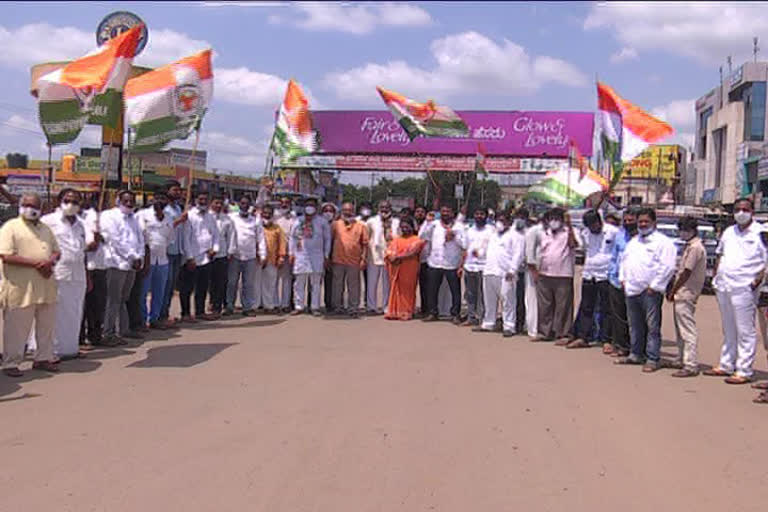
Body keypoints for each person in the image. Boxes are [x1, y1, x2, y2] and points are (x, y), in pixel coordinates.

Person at [705, 198, 767, 384]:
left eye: (745, 209)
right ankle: (726, 364)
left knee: (745, 329)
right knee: (729, 327)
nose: (741, 213)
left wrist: (758, 279)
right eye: (738, 209)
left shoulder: (760, 232)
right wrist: (716, 277)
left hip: (745, 285)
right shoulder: (729, 232)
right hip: (724, 284)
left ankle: (744, 369)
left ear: (752, 212)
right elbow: (720, 254)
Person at [0, 193, 61, 376]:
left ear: (40, 209)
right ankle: (11, 363)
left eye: (34, 206)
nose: (30, 208)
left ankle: (43, 358)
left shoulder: (45, 229)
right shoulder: (11, 227)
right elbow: (6, 255)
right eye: (26, 205)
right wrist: (37, 264)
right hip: (20, 287)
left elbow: (56, 251)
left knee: (46, 326)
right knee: (17, 328)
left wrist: (50, 262)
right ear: (20, 206)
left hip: (45, 285)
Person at [616, 207, 677, 372]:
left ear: (654, 223)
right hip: (632, 289)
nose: (642, 224)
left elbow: (668, 266)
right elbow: (624, 261)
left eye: (646, 221)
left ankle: (652, 357)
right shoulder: (634, 242)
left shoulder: (663, 243)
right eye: (640, 221)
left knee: (652, 327)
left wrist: (655, 286)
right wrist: (623, 279)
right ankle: (636, 354)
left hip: (650, 292)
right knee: (634, 325)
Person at [40, 189, 93, 360]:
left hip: (77, 274)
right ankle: (50, 351)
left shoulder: (82, 223)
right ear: (59, 201)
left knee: (75, 311)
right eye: (67, 200)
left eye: (75, 202)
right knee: (54, 313)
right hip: (56, 272)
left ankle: (70, 348)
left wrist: (87, 274)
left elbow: (83, 251)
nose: (71, 205)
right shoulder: (48, 221)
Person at [98, 191, 146, 345]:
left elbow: (140, 239)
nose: (129, 203)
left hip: (131, 265)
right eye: (126, 201)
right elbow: (115, 240)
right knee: (113, 299)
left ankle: (123, 330)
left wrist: (139, 257)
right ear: (118, 201)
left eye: (132, 201)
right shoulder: (109, 216)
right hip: (115, 263)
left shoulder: (134, 218)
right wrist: (132, 256)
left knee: (124, 298)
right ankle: (108, 333)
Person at [568, 210, 617, 349]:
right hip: (589, 273)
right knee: (586, 306)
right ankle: (583, 337)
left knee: (607, 308)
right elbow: (581, 247)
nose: (593, 229)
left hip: (606, 275)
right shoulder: (585, 233)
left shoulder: (613, 232)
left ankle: (607, 339)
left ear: (599, 222)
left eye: (594, 225)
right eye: (590, 226)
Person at [665, 216, 707, 377]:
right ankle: (681, 358)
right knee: (679, 329)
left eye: (685, 230)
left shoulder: (696, 247)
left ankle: (690, 364)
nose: (682, 233)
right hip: (682, 293)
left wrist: (673, 290)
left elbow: (686, 272)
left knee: (687, 329)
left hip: (686, 292)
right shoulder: (689, 246)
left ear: (693, 230)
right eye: (681, 230)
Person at [474, 210, 526, 336]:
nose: (500, 223)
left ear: (509, 222)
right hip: (489, 270)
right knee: (489, 300)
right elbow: (485, 249)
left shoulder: (516, 236)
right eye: (498, 220)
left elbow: (518, 255)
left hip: (506, 273)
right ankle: (488, 323)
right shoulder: (493, 235)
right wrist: (478, 254)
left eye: (503, 220)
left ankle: (509, 326)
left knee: (508, 301)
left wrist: (513, 270)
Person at [533, 208, 579, 343]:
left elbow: (574, 245)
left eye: (557, 218)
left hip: (563, 274)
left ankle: (563, 334)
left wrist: (569, 226)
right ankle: (544, 332)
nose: (554, 221)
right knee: (544, 305)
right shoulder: (544, 233)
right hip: (545, 273)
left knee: (563, 306)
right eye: (551, 218)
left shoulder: (569, 232)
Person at [421, 204, 465, 324]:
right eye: (443, 211)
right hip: (435, 262)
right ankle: (432, 312)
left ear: (452, 213)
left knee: (455, 290)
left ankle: (455, 314)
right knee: (432, 290)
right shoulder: (434, 224)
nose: (445, 214)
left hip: (451, 263)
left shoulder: (459, 226)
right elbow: (422, 236)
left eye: (448, 211)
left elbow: (465, 244)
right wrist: (427, 222)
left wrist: (454, 236)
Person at [180, 191, 219, 323]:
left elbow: (216, 235)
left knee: (202, 287)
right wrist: (189, 258)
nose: (203, 201)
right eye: (200, 199)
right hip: (192, 257)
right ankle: (185, 313)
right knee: (187, 288)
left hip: (206, 257)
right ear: (195, 200)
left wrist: (215, 249)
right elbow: (185, 238)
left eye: (205, 199)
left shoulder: (210, 216)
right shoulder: (189, 216)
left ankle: (200, 311)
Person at [138, 193, 174, 329]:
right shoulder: (142, 215)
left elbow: (170, 238)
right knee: (143, 292)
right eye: (158, 198)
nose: (160, 201)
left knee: (159, 292)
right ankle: (142, 320)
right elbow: (140, 236)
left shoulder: (169, 217)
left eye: (163, 198)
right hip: (147, 260)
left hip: (162, 260)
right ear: (152, 199)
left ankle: (155, 318)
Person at [290, 197, 331, 316]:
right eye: (308, 205)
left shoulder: (322, 222)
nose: (310, 207)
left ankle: (315, 307)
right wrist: (291, 253)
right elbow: (292, 238)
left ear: (316, 208)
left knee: (316, 283)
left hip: (317, 256)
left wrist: (326, 255)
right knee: (299, 283)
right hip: (300, 255)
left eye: (312, 205)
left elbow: (328, 239)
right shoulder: (298, 221)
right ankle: (299, 306)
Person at [606, 208, 638, 357]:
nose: (627, 223)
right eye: (625, 220)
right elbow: (614, 257)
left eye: (631, 220)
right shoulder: (619, 236)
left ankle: (636, 347)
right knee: (618, 315)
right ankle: (620, 345)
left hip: (635, 283)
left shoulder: (641, 239)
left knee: (634, 317)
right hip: (616, 281)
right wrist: (611, 275)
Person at [228, 195, 265, 316]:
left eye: (247, 204)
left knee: (248, 284)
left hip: (250, 256)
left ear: (250, 206)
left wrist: (262, 254)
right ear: (239, 204)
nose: (244, 206)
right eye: (242, 203)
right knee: (232, 282)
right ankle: (229, 306)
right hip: (234, 255)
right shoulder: (231, 217)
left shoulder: (255, 220)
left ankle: (247, 307)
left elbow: (260, 238)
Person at [158, 180, 189, 329]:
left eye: (179, 190)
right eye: (174, 190)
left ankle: (166, 313)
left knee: (171, 286)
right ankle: (159, 315)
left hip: (177, 251)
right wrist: (179, 220)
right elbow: (164, 227)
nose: (178, 193)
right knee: (164, 285)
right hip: (166, 251)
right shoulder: (164, 209)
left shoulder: (178, 207)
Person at [330, 202, 369, 316]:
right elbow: (330, 241)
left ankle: (353, 307)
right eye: (345, 210)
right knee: (337, 285)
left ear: (354, 211)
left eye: (350, 210)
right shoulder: (335, 224)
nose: (347, 212)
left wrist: (363, 259)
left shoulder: (361, 225)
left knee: (354, 286)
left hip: (354, 261)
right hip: (338, 260)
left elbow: (365, 244)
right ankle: (338, 307)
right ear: (342, 211)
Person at [384, 217, 426, 321]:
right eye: (402, 227)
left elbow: (413, 252)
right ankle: (394, 311)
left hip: (410, 268)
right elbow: (389, 251)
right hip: (396, 267)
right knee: (396, 288)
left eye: (407, 227)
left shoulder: (417, 240)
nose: (404, 229)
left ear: (412, 227)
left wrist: (398, 257)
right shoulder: (396, 240)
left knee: (408, 290)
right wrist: (392, 257)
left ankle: (407, 311)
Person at [81, 194, 107, 347]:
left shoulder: (100, 218)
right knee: (84, 306)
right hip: (87, 267)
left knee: (98, 306)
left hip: (100, 266)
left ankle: (95, 336)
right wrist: (94, 241)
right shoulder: (81, 221)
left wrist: (101, 237)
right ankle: (80, 338)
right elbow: (87, 246)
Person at [366, 200, 400, 315]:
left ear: (390, 208)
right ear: (378, 208)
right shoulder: (371, 221)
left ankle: (387, 306)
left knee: (388, 284)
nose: (384, 209)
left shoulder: (396, 222)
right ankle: (371, 306)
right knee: (372, 282)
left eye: (386, 207)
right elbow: (366, 237)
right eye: (382, 207)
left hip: (389, 256)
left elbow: (399, 238)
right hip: (374, 255)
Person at [462, 207, 493, 326]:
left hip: (484, 266)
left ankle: (483, 317)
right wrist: (462, 265)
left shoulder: (491, 230)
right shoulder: (469, 230)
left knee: (483, 294)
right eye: (477, 213)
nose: (479, 216)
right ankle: (471, 317)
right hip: (470, 266)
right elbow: (465, 248)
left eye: (481, 214)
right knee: (470, 294)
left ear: (486, 216)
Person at [209, 195, 236, 318]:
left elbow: (231, 237)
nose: (218, 206)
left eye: (220, 203)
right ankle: (208, 305)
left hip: (222, 254)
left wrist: (230, 252)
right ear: (211, 203)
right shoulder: (206, 217)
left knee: (220, 282)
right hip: (205, 255)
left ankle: (217, 307)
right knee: (207, 282)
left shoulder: (227, 220)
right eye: (216, 203)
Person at [260, 205, 287, 314]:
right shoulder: (257, 226)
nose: (266, 215)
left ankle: (270, 305)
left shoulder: (277, 228)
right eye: (264, 213)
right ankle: (258, 304)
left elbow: (282, 243)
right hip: (258, 260)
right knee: (257, 283)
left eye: (269, 213)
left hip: (272, 259)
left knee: (271, 283)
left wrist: (281, 257)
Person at [275, 196, 296, 313]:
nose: (284, 204)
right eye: (282, 202)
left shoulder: (294, 218)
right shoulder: (274, 216)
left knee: (287, 279)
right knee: (275, 279)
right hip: (275, 252)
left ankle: (285, 303)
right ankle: (274, 303)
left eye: (286, 202)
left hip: (289, 252)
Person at [524, 214, 544, 339]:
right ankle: (533, 329)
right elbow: (529, 253)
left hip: (547, 270)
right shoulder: (533, 231)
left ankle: (542, 327)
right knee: (532, 300)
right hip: (534, 270)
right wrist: (533, 270)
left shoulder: (548, 232)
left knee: (543, 302)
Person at [513, 208, 530, 334]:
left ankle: (520, 323)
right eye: (517, 217)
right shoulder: (510, 232)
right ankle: (510, 321)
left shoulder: (529, 233)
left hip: (523, 271)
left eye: (522, 217)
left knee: (521, 298)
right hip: (510, 270)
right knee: (509, 298)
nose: (519, 220)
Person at [321, 202, 338, 312]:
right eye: (325, 211)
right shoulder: (317, 223)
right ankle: (311, 304)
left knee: (330, 282)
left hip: (332, 257)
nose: (328, 213)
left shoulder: (337, 225)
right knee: (314, 282)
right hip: (316, 256)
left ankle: (329, 304)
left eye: (330, 211)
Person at [414, 205, 429, 317]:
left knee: (425, 286)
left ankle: (426, 309)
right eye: (417, 211)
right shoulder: (410, 225)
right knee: (410, 286)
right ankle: (410, 307)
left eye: (422, 212)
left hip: (425, 259)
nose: (419, 214)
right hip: (410, 261)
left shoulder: (429, 225)